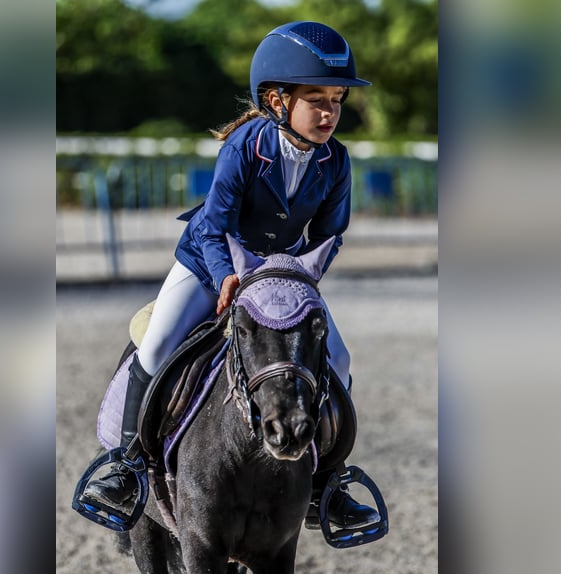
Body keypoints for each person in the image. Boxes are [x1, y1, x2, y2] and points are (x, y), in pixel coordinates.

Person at [83, 21, 379, 530]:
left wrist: (295, 279)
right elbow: (216, 226)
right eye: (317, 99)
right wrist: (227, 278)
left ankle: (327, 482)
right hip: (206, 262)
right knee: (155, 349)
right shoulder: (244, 146)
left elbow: (330, 235)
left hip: (279, 276)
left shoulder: (337, 160)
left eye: (336, 99)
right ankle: (126, 466)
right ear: (277, 100)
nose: (330, 112)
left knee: (340, 359)